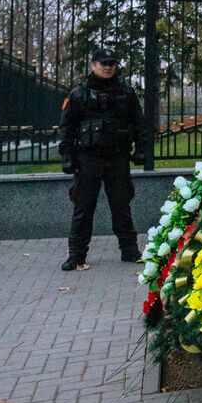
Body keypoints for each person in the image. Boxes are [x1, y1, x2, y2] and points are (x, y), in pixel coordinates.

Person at [59, 48, 152, 271]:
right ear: (93, 65)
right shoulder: (79, 94)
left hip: (117, 157)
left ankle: (129, 250)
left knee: (121, 205)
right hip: (87, 158)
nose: (108, 67)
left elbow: (139, 124)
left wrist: (141, 149)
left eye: (111, 63)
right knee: (83, 207)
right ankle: (76, 255)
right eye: (103, 63)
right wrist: (67, 156)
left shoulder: (126, 93)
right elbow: (67, 127)